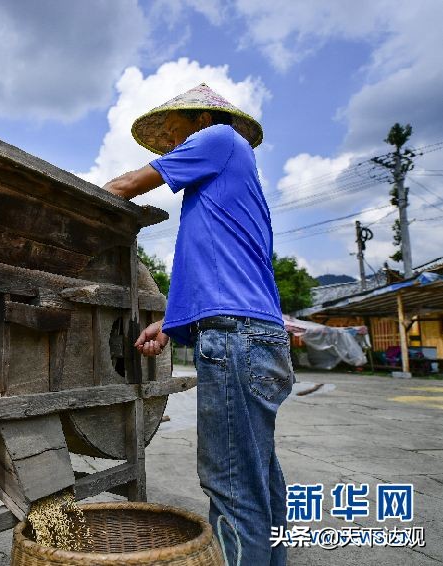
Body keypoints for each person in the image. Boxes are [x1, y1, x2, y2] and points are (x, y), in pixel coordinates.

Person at [103, 83, 294, 566]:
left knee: (231, 484)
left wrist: (76, 202)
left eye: (174, 132)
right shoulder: (221, 186)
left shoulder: (220, 138)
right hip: (254, 335)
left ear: (203, 120)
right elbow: (213, 271)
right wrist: (170, 325)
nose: (171, 144)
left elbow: (127, 185)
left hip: (237, 339)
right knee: (258, 476)